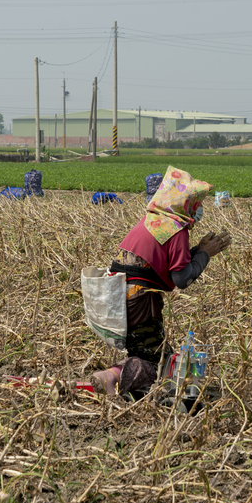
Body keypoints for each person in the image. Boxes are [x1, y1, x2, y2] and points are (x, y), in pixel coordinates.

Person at [90, 166, 232, 395]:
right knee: (153, 360)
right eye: (197, 203)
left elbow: (167, 262)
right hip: (139, 299)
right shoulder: (176, 229)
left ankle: (110, 377)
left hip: (117, 295)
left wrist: (198, 250)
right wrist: (206, 254)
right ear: (186, 204)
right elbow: (182, 278)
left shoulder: (153, 220)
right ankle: (118, 384)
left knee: (154, 353)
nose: (199, 209)